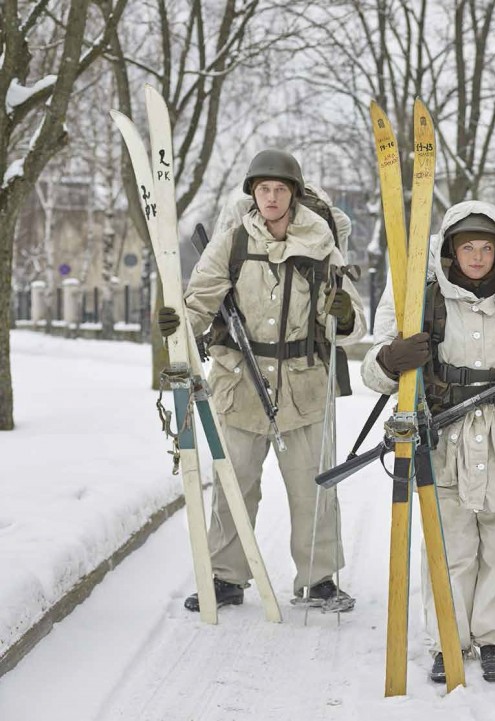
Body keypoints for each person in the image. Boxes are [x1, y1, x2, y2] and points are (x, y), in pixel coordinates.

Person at [361, 200, 495, 683]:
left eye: (486, 248)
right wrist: (392, 359)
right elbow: (373, 368)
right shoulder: (423, 298)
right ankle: (448, 642)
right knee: (450, 547)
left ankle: (494, 639)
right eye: (467, 248)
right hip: (445, 438)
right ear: (451, 253)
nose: (477, 257)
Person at [157, 149, 367, 613]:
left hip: (304, 385)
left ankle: (319, 580)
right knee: (235, 482)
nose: (271, 198)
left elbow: (354, 324)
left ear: (293, 194)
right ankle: (226, 577)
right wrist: (179, 324)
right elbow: (202, 298)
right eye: (263, 189)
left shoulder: (319, 243)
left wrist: (344, 313)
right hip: (239, 382)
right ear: (252, 193)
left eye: (280, 189)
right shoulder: (232, 241)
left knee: (312, 486)